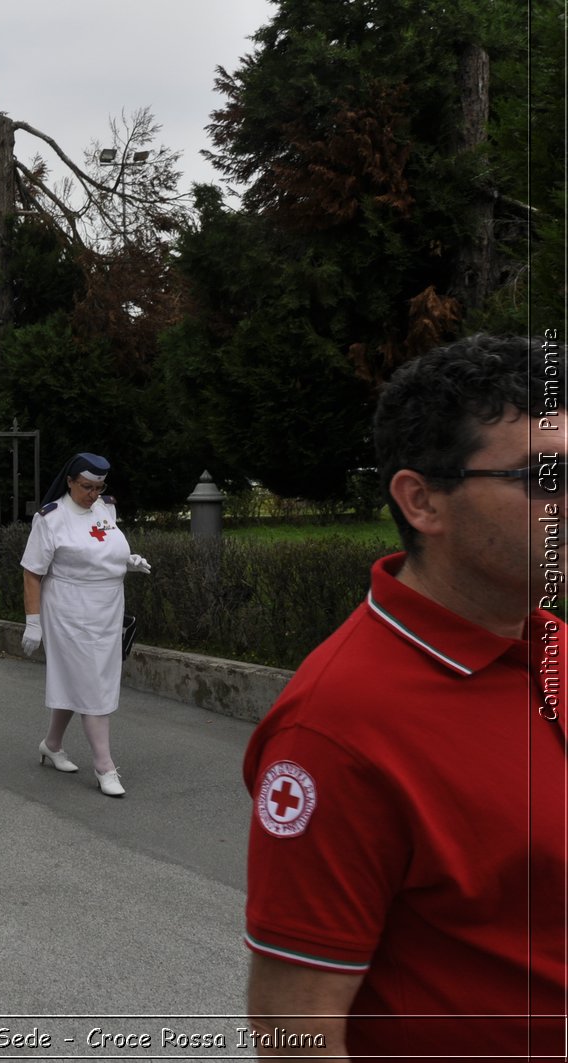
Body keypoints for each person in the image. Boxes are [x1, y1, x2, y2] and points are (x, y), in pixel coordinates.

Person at [243, 335, 565, 1059]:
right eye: (547, 476)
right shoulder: (333, 730)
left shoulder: (552, 644)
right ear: (422, 501)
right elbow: (295, 1026)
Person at [19, 453, 151, 797]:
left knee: (80, 677)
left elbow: (107, 548)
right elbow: (32, 572)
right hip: (68, 608)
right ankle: (104, 766)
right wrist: (33, 622)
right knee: (92, 682)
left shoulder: (106, 509)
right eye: (86, 487)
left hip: (107, 607)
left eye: (99, 487)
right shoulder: (51, 519)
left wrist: (128, 561)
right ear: (70, 481)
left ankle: (51, 744)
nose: (93, 494)